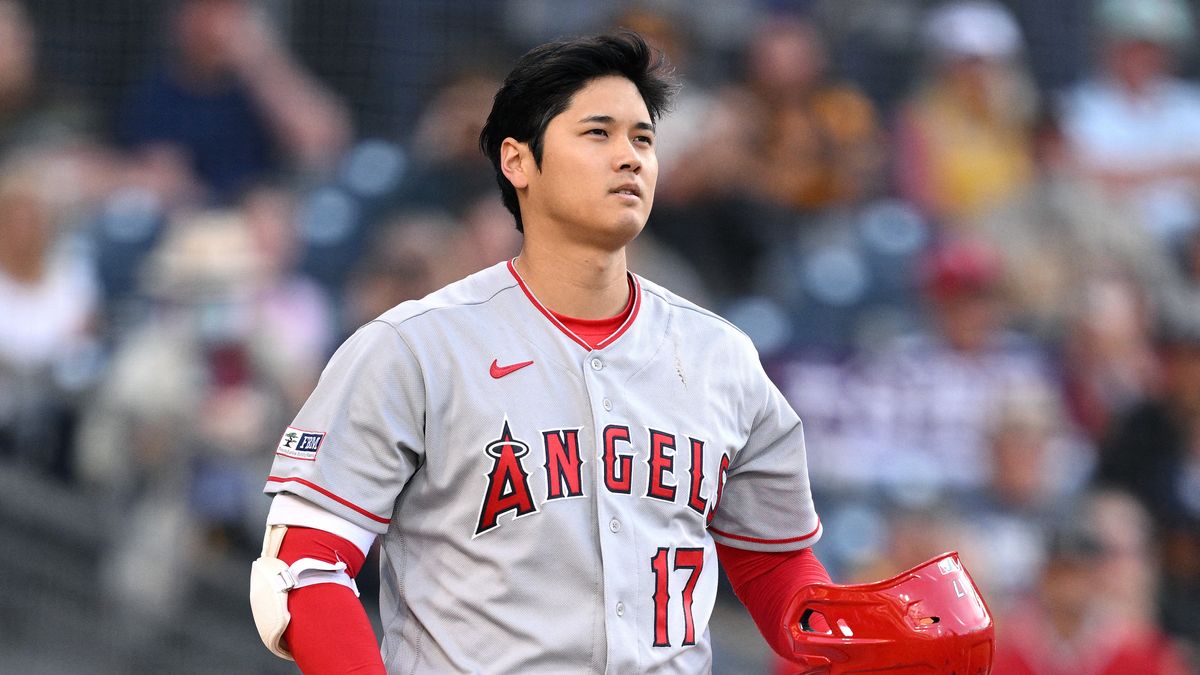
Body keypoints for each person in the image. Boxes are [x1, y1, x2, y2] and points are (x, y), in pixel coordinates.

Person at [249, 32, 992, 674]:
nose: (630, 156)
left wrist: (852, 637)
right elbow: (303, 565)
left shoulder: (720, 357)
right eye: (597, 133)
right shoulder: (412, 349)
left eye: (643, 138)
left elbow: (772, 560)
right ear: (519, 161)